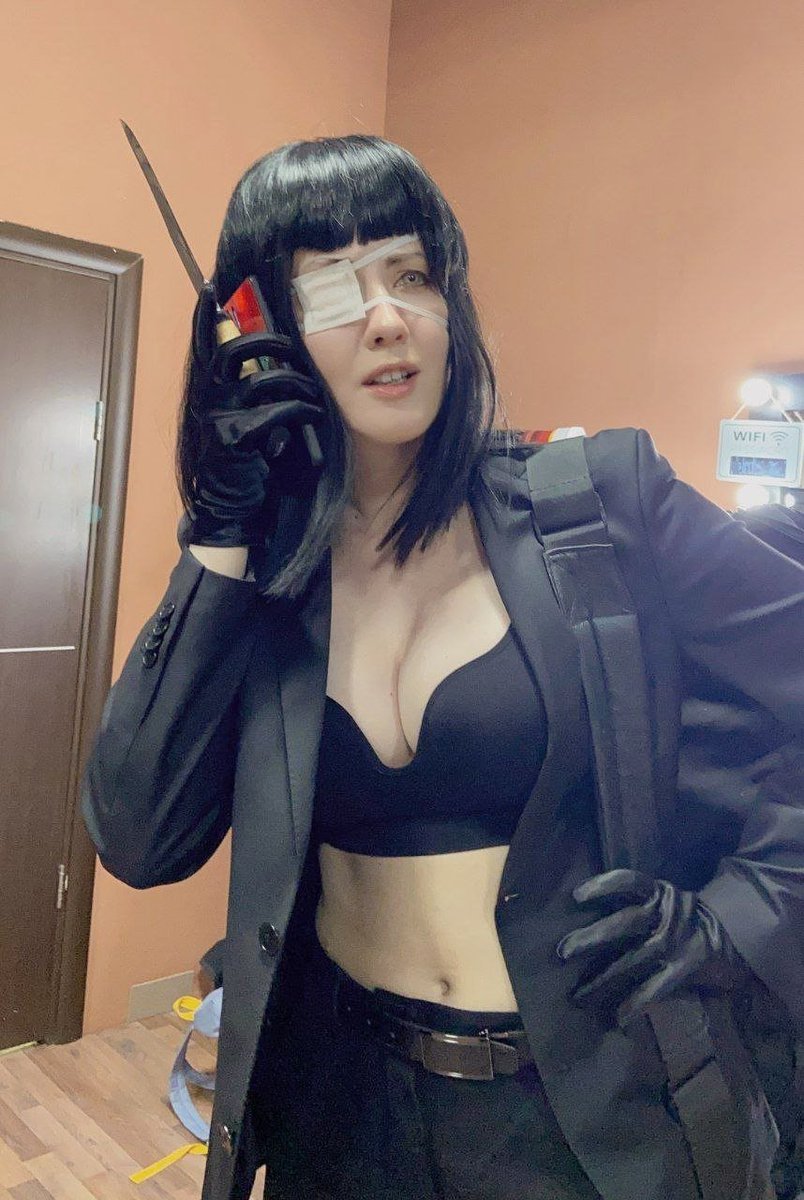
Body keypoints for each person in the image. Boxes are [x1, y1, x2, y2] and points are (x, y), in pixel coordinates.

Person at [80, 135, 804, 1200]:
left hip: (584, 1114)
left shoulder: (599, 503)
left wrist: (743, 913)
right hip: (341, 1111)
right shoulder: (266, 580)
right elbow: (138, 835)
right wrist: (222, 529)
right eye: (335, 285)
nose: (388, 318)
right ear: (259, 329)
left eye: (412, 274)